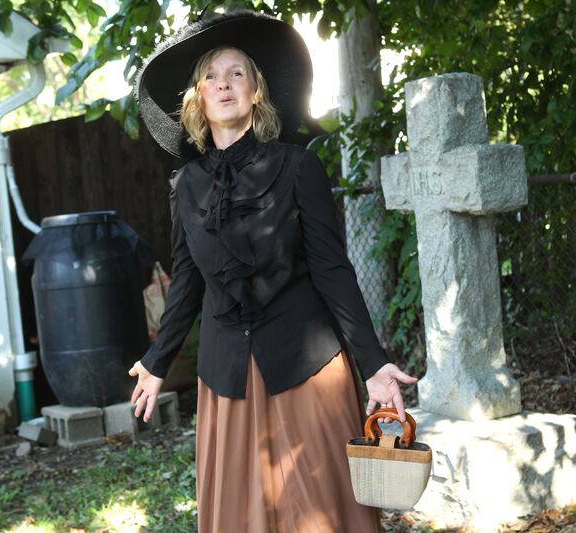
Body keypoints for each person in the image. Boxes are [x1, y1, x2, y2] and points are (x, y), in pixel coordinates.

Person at [128, 10, 417, 532]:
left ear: (256, 93)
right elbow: (187, 282)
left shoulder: (298, 166)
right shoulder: (186, 185)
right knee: (242, 510)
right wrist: (155, 360)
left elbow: (333, 269)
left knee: (321, 507)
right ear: (197, 98)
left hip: (305, 365)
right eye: (211, 76)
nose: (223, 84)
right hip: (225, 375)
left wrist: (373, 364)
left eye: (237, 73)